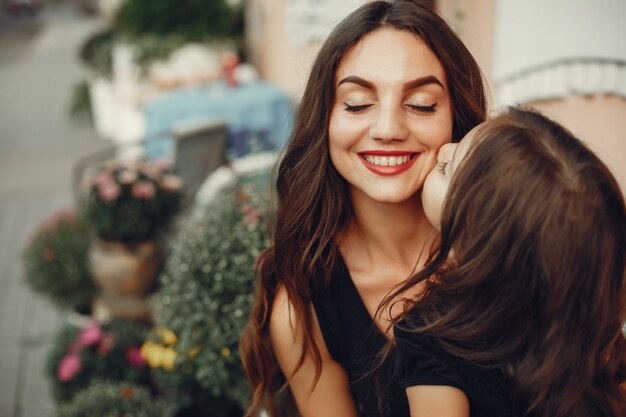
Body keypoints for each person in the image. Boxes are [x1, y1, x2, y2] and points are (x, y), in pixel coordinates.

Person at [239, 1, 487, 416]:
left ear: (456, 120)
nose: (388, 129)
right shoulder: (303, 306)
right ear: (325, 119)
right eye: (357, 103)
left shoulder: (513, 249)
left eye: (422, 104)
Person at [385, 107, 626, 417]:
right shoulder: (594, 332)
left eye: (446, 169)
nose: (444, 147)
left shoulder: (429, 336)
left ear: (473, 247)